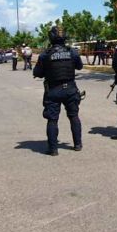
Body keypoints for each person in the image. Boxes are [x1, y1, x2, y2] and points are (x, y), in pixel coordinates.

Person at [33, 25, 84, 155]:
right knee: (74, 116)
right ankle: (77, 144)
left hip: (53, 90)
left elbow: (37, 73)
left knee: (52, 119)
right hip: (70, 89)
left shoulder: (45, 54)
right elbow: (79, 66)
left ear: (51, 37)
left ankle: (53, 149)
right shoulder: (72, 52)